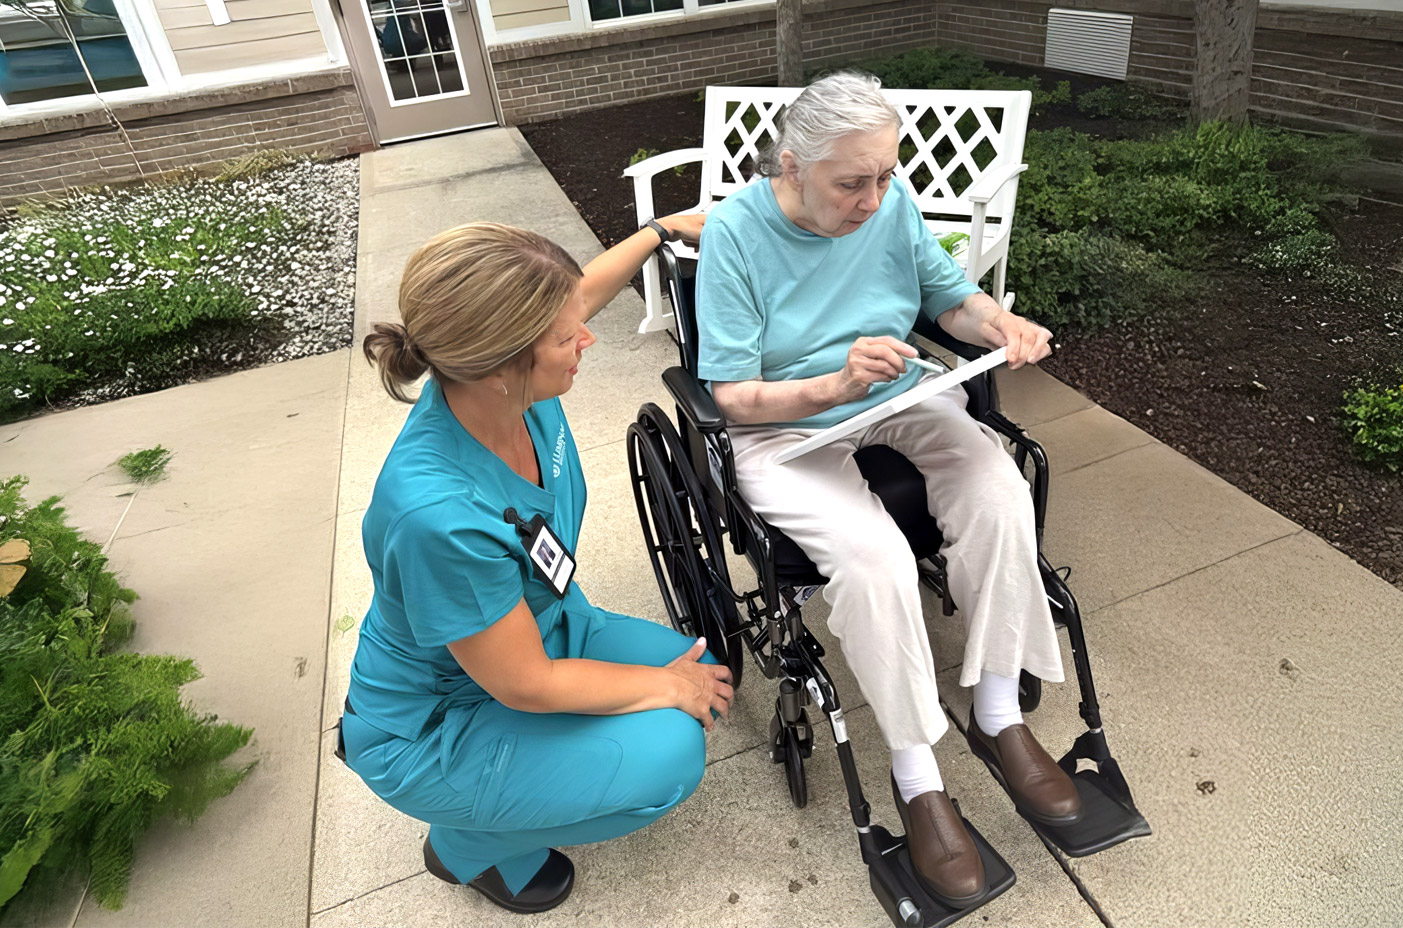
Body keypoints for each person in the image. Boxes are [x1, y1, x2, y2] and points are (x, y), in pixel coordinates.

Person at [695, 71, 1081, 907]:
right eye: (852, 182)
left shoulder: (889, 201)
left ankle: (997, 713)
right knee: (873, 559)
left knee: (999, 491)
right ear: (791, 167)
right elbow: (729, 395)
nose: (874, 198)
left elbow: (949, 300)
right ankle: (916, 772)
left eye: (885, 175)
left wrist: (998, 324)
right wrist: (829, 388)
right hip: (788, 425)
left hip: (896, 394)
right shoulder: (733, 234)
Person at [341, 214, 732, 915]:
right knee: (670, 754)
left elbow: (580, 294)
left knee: (696, 663)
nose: (586, 340)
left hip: (541, 623)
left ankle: (503, 799)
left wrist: (656, 232)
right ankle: (463, 845)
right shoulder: (437, 514)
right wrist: (661, 690)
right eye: (565, 337)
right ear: (499, 362)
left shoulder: (503, 387)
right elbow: (525, 683)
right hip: (440, 716)